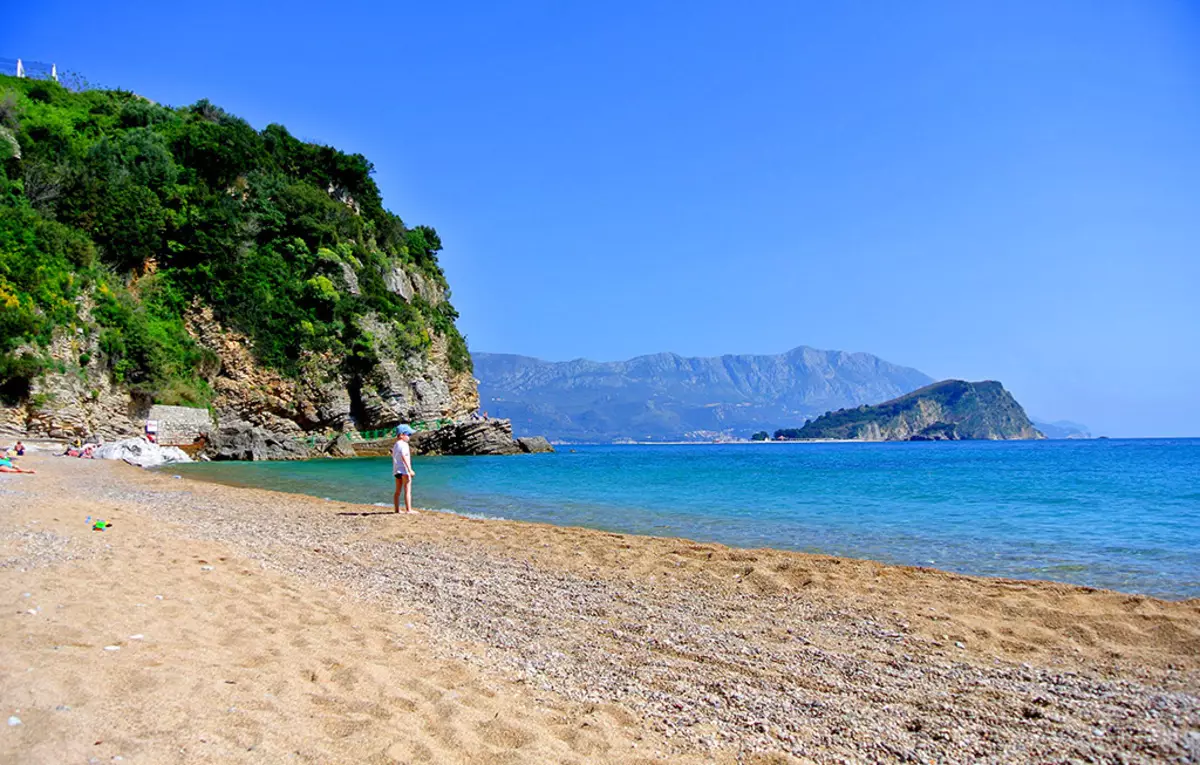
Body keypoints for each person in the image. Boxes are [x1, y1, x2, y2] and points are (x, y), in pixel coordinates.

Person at [391, 424, 418, 514]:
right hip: (404, 470)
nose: (409, 437)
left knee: (397, 491)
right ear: (402, 435)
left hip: (396, 471)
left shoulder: (396, 445)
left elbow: (395, 456)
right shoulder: (404, 444)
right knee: (407, 490)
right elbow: (404, 456)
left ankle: (397, 509)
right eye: (408, 434)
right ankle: (409, 509)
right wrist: (410, 470)